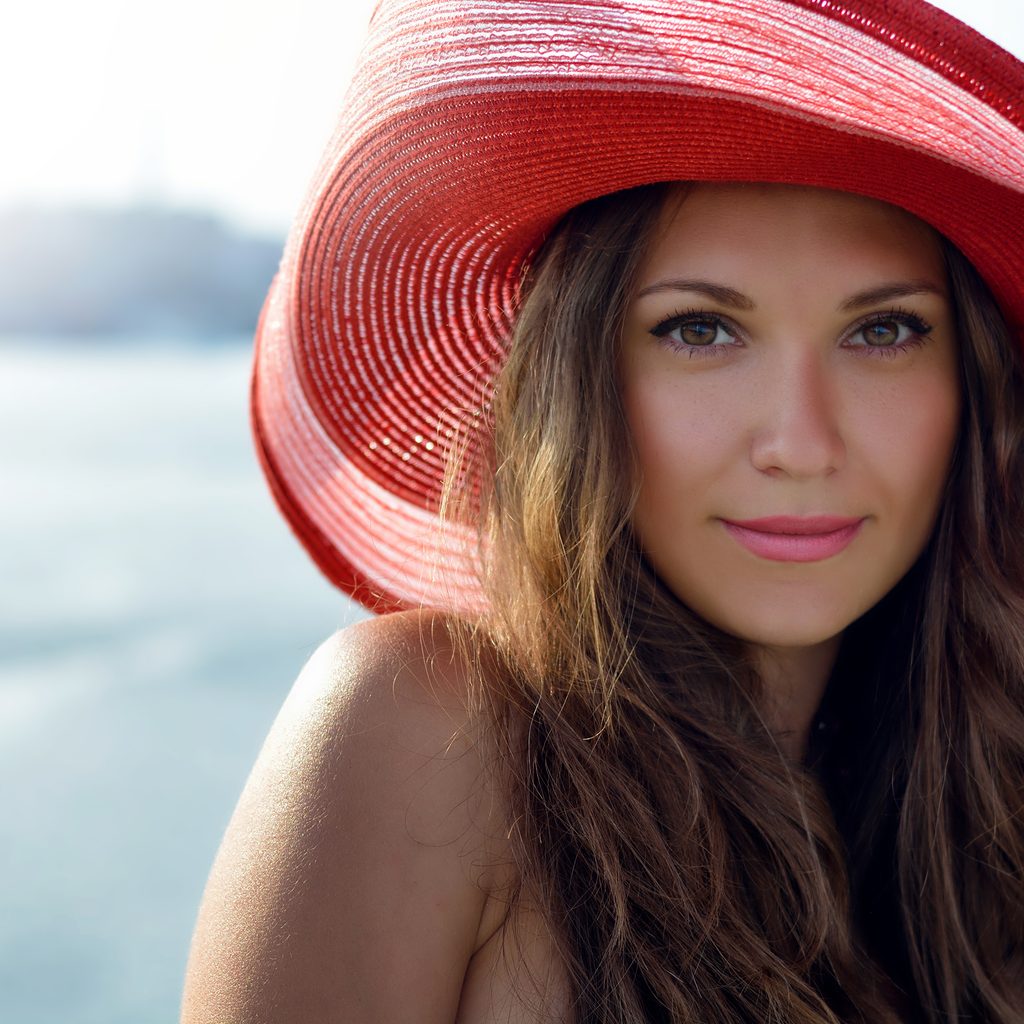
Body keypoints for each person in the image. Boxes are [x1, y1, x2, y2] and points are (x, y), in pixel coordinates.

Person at [180, 1, 1024, 1021]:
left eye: (883, 329)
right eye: (700, 329)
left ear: (978, 393)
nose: (800, 441)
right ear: (580, 376)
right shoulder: (430, 737)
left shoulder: (987, 814)